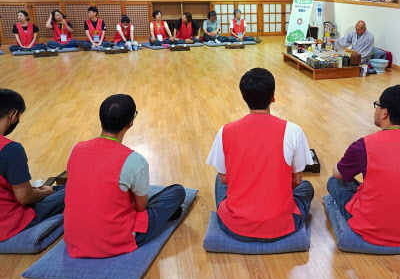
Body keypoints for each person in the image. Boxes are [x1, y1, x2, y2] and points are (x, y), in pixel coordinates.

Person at [64, 94, 186, 258]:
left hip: (74, 239)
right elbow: (140, 207)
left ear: (101, 118)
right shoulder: (134, 160)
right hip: (114, 240)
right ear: (130, 123)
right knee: (177, 192)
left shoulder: (76, 149)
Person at [206, 68, 314, 242]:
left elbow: (225, 179)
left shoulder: (224, 131)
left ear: (244, 98)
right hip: (282, 225)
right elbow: (296, 180)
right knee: (306, 187)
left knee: (219, 180)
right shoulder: (293, 130)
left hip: (234, 226)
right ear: (273, 97)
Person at [327, 85, 400, 246]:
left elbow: (338, 173)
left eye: (378, 105)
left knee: (335, 182)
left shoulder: (363, 145)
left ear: (384, 113)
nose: (376, 109)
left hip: (370, 227)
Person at [0, 89, 66, 242]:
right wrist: (46, 192)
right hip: (11, 223)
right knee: (72, 190)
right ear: (13, 115)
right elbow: (25, 197)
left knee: (56, 189)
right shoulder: (10, 149)